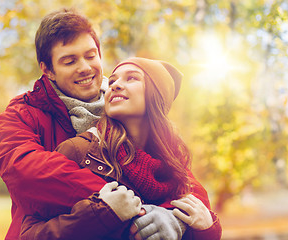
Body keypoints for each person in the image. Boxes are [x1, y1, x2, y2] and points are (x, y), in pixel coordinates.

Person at [0, 9, 193, 240]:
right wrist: (115, 201)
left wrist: (177, 216)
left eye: (90, 56)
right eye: (70, 61)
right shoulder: (23, 113)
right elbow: (25, 174)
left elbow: (181, 179)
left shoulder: (125, 109)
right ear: (48, 70)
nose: (85, 68)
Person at [19, 57, 222, 240]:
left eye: (132, 78)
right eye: (113, 81)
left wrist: (203, 229)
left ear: (157, 95)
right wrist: (99, 214)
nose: (114, 86)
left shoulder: (176, 167)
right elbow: (29, 233)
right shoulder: (80, 150)